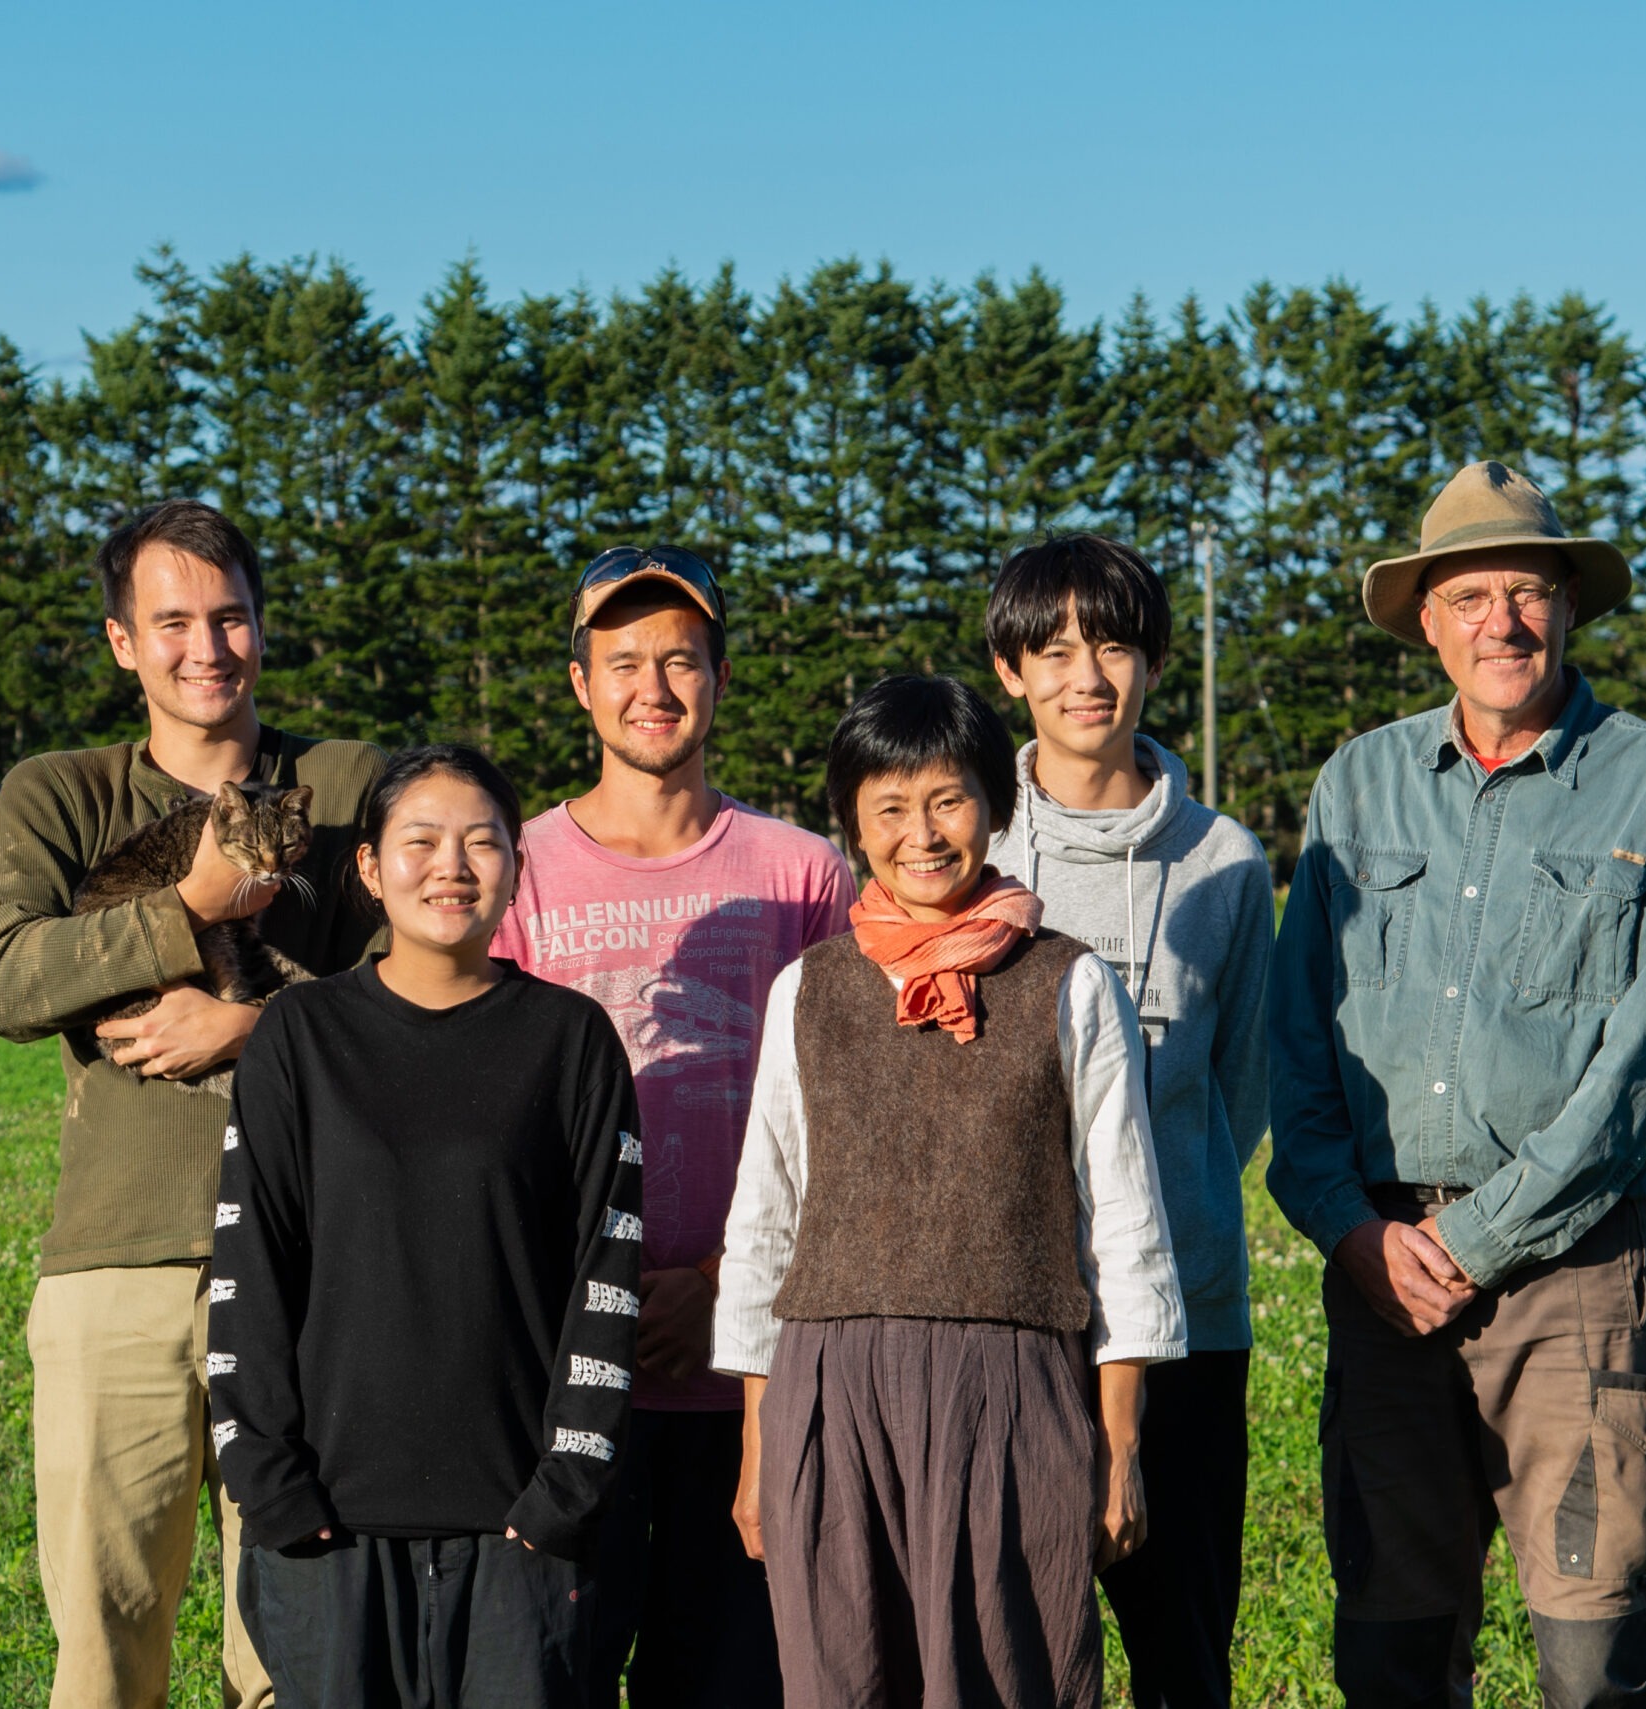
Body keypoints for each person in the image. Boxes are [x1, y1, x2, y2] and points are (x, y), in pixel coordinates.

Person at [1267, 461, 1646, 1709]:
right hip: (1382, 1275)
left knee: (1593, 1663)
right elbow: (1295, 1043)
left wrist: (1473, 1238)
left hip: (1581, 1276)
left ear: (1569, 606)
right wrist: (1349, 1226)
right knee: (1390, 1649)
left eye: (1524, 591)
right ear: (1425, 619)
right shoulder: (1353, 787)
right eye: (1468, 597)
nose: (1500, 624)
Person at [0, 499, 384, 1709]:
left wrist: (253, 1024)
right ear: (120, 642)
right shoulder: (58, 795)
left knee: (302, 1652)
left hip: (322, 1259)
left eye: (230, 616)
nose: (207, 646)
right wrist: (188, 903)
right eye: (172, 622)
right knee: (106, 1649)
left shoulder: (348, 782)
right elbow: (3, 981)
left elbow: (424, 994)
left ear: (262, 626)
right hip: (119, 1258)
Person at [714, 673, 1185, 1709]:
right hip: (830, 1389)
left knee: (1012, 1674)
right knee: (844, 1677)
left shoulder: (1071, 982)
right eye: (887, 805)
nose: (920, 833)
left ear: (995, 807)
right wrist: (758, 1446)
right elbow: (764, 1222)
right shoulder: (812, 988)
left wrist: (1118, 1445)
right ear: (851, 823)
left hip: (1013, 1386)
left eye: (947, 798)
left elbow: (1126, 1223)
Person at [487, 544, 853, 1709]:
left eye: (681, 660)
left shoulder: (802, 873)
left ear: (721, 678)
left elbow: (846, 1117)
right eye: (625, 661)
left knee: (737, 1679)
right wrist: (597, 1289)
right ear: (579, 684)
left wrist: (719, 1282)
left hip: (751, 1368)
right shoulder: (514, 872)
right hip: (558, 1376)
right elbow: (486, 1123)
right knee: (561, 1674)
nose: (654, 686)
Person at [210, 743, 645, 1709]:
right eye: (420, 841)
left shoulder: (570, 1042)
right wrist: (272, 1486)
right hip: (332, 1530)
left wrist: (565, 1490)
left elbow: (605, 1276)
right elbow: (251, 1264)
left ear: (518, 871)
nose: (451, 866)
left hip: (523, 1537)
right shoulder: (301, 1036)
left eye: (482, 843)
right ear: (368, 869)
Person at [982, 534, 1272, 1709]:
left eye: (1110, 642)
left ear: (1151, 660)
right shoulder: (970, 841)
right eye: (1050, 649)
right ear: (1009, 671)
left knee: (1183, 1651)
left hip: (1187, 1323)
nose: (1083, 673)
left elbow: (1239, 1091)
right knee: (1010, 1648)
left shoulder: (1227, 861)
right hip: (1010, 1321)